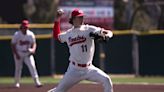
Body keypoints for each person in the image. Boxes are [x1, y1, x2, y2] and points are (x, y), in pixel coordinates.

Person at [48, 8, 113, 92]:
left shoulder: (89, 29)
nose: (82, 19)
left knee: (106, 80)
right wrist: (57, 20)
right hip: (74, 69)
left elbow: (108, 32)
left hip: (89, 69)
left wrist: (107, 36)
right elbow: (56, 36)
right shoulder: (68, 34)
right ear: (73, 19)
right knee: (59, 90)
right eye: (79, 17)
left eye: (82, 17)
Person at [11, 20, 42, 88]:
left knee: (32, 66)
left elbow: (34, 43)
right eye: (24, 27)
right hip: (19, 52)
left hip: (28, 53)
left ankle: (37, 82)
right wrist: (16, 54)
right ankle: (17, 83)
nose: (25, 28)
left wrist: (33, 49)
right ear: (21, 27)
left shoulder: (30, 34)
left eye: (26, 27)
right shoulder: (17, 34)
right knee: (18, 68)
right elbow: (13, 45)